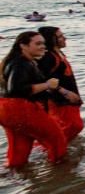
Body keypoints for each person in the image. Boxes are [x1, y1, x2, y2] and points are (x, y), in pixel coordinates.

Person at [0, 32, 68, 168]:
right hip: (21, 108)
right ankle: (62, 176)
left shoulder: (14, 61)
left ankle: (14, 178)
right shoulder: (21, 63)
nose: (43, 47)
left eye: (43, 43)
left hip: (5, 110)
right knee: (56, 140)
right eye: (38, 44)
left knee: (18, 152)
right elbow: (17, 89)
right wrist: (47, 85)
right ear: (23, 46)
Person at [37, 27, 84, 142]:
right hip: (59, 101)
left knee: (74, 127)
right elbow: (43, 80)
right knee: (67, 128)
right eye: (60, 36)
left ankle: (67, 152)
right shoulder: (48, 57)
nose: (65, 38)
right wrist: (65, 92)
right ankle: (51, 153)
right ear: (52, 39)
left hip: (68, 100)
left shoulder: (58, 53)